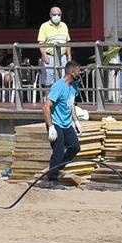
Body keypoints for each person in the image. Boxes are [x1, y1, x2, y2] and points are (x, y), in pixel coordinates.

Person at [40, 58, 83, 187]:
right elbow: (46, 106)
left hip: (67, 124)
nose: (79, 74)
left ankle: (56, 168)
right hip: (56, 123)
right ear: (71, 73)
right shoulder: (59, 86)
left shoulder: (74, 86)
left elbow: (71, 104)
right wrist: (51, 127)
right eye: (78, 72)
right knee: (58, 151)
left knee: (75, 147)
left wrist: (76, 121)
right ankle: (52, 179)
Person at [38, 6, 71, 84]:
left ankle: (61, 96)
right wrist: (44, 55)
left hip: (62, 57)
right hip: (49, 57)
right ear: (50, 15)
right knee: (48, 82)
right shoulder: (44, 26)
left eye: (59, 15)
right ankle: (48, 96)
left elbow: (67, 42)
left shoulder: (64, 26)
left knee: (64, 81)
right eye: (54, 14)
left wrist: (69, 56)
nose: (57, 16)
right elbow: (41, 43)